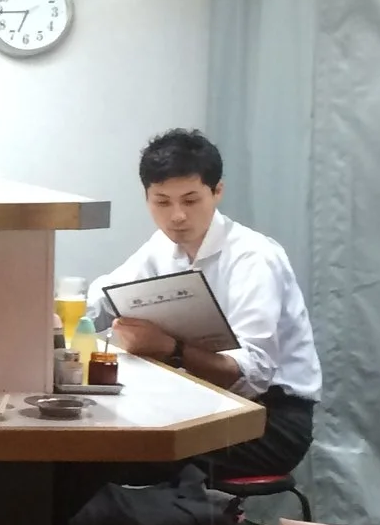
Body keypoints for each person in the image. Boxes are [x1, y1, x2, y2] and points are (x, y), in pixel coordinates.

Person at [90, 128, 321, 480]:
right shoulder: (162, 246)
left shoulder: (253, 257)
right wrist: (65, 318)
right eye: (162, 202)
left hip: (271, 418)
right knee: (104, 442)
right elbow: (105, 295)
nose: (177, 216)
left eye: (191, 200)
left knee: (129, 456)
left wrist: (171, 349)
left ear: (217, 192)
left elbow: (254, 372)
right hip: (201, 400)